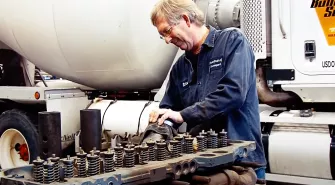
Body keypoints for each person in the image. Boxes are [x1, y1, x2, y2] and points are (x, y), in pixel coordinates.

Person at [148, 0, 267, 180]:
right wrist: (157, 130)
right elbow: (169, 113)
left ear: (186, 19)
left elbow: (233, 93)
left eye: (167, 31)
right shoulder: (180, 67)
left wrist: (183, 115)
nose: (167, 40)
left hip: (243, 164)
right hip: (202, 166)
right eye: (162, 36)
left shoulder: (232, 42)